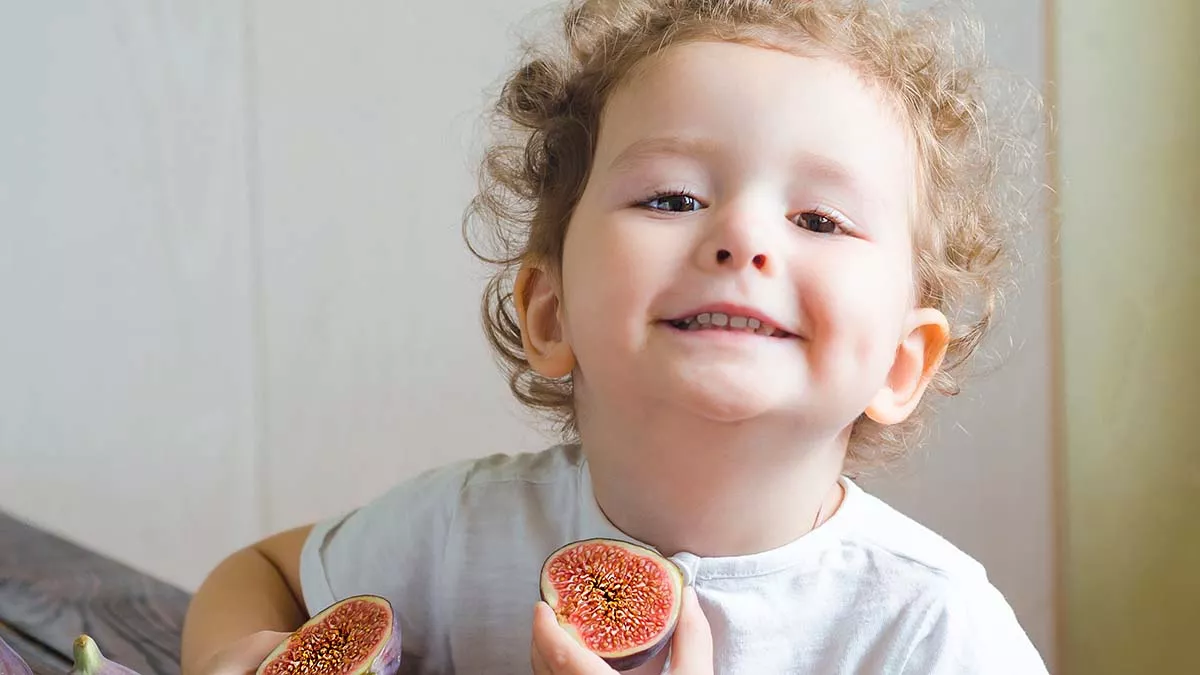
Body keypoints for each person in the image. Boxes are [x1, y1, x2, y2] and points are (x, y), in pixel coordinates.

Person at [180, 0, 1050, 673]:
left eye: (819, 218)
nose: (742, 236)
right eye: (671, 198)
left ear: (902, 364)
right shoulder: (463, 530)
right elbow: (263, 570)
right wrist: (235, 653)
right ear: (550, 314)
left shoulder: (934, 629)